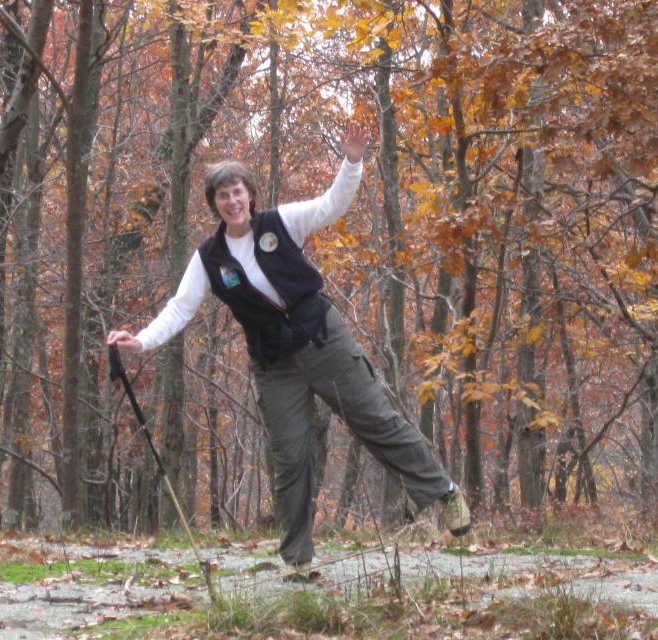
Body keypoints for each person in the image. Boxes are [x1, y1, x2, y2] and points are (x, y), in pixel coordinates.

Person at [106, 122, 470, 581]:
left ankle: (444, 492)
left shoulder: (281, 222)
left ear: (250, 195)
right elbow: (180, 309)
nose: (232, 201)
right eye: (223, 196)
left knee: (376, 420)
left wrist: (352, 161)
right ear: (214, 205)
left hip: (323, 340)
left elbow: (332, 205)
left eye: (238, 191)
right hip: (275, 366)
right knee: (290, 457)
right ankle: (297, 561)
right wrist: (139, 340)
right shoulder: (209, 258)